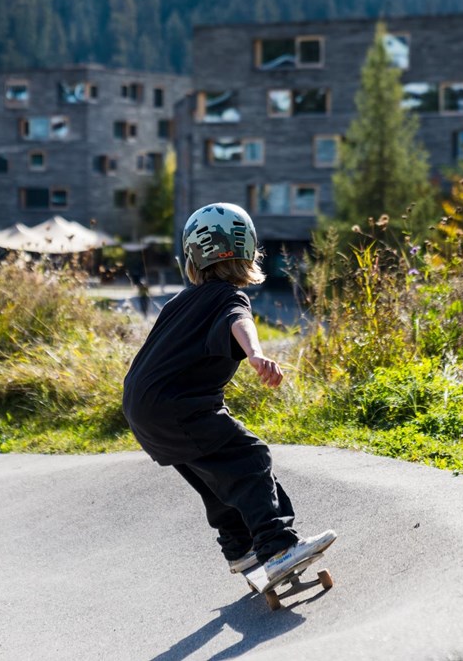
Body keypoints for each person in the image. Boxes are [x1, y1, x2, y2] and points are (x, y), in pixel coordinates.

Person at [122, 202, 335, 580]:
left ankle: (241, 548)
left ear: (191, 258)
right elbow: (239, 322)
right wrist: (256, 354)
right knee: (250, 458)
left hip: (141, 408)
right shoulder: (228, 296)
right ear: (249, 251)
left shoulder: (178, 302)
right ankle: (276, 546)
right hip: (178, 406)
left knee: (215, 477)